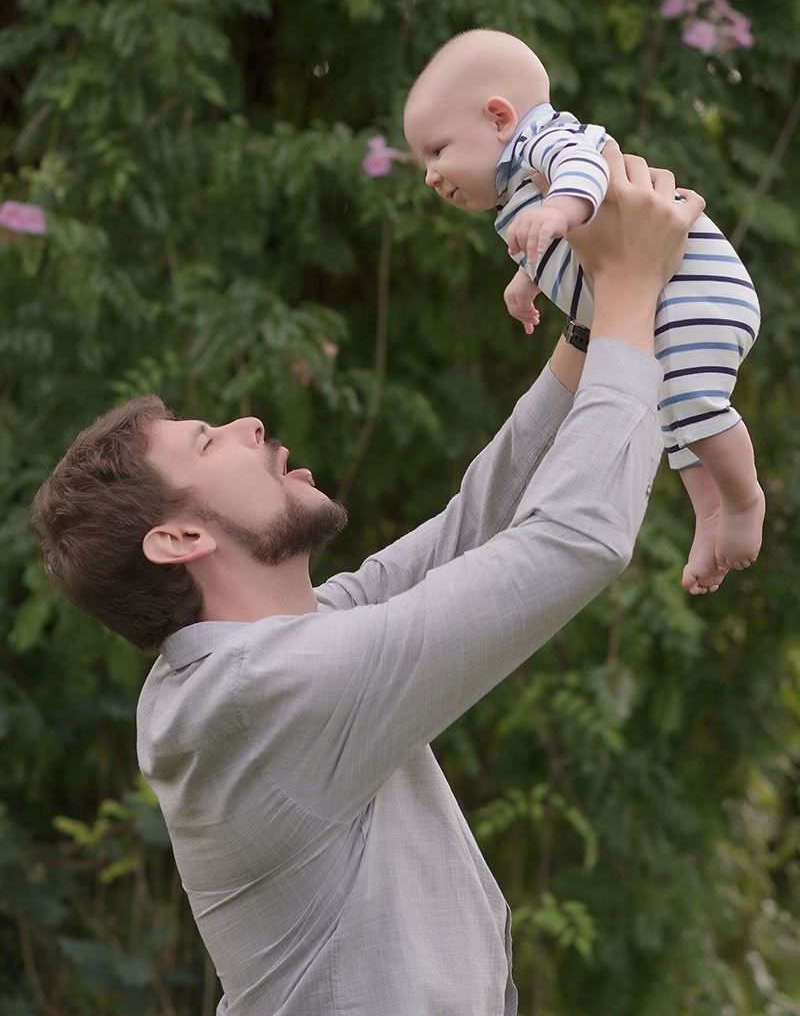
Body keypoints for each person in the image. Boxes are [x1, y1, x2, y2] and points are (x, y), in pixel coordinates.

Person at [31, 147, 703, 1016]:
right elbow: (570, 542)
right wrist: (631, 291)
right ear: (180, 538)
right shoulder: (263, 697)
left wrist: (588, 321)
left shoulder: (264, 660)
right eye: (208, 442)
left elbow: (474, 530)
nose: (248, 423)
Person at [403, 28, 765, 596]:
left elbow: (586, 174)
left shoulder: (543, 140)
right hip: (667, 296)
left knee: (692, 400)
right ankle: (711, 512)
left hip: (697, 290)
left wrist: (556, 214)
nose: (430, 174)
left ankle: (744, 501)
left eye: (437, 150)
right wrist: (528, 278)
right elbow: (575, 243)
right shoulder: (518, 186)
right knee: (671, 413)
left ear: (499, 118)